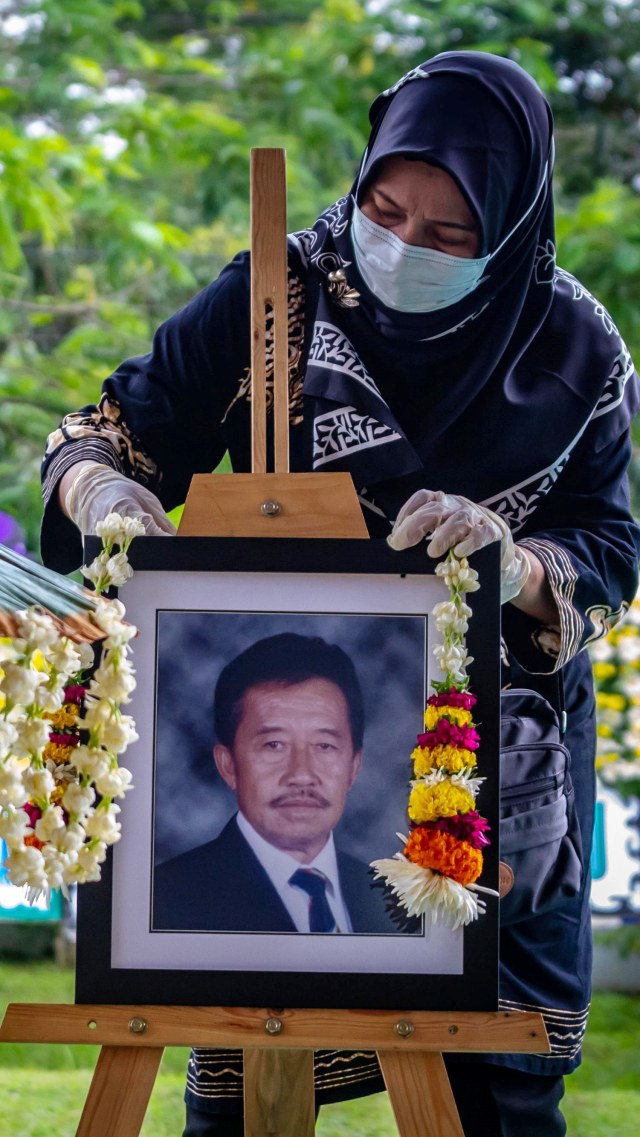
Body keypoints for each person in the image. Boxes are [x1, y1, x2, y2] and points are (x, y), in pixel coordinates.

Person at [41, 49, 640, 1137]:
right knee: (244, 1049)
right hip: (280, 708)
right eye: (383, 206)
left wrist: (518, 557)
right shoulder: (280, 292)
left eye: (449, 235)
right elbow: (112, 429)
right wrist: (104, 495)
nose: (402, 246)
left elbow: (611, 541)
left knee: (499, 1095)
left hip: (488, 757)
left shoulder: (575, 350)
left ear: (508, 231)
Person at [153, 632, 397, 934]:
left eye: (324, 746)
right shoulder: (163, 902)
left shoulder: (393, 902)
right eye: (274, 745)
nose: (301, 774)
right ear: (228, 765)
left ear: (354, 767)